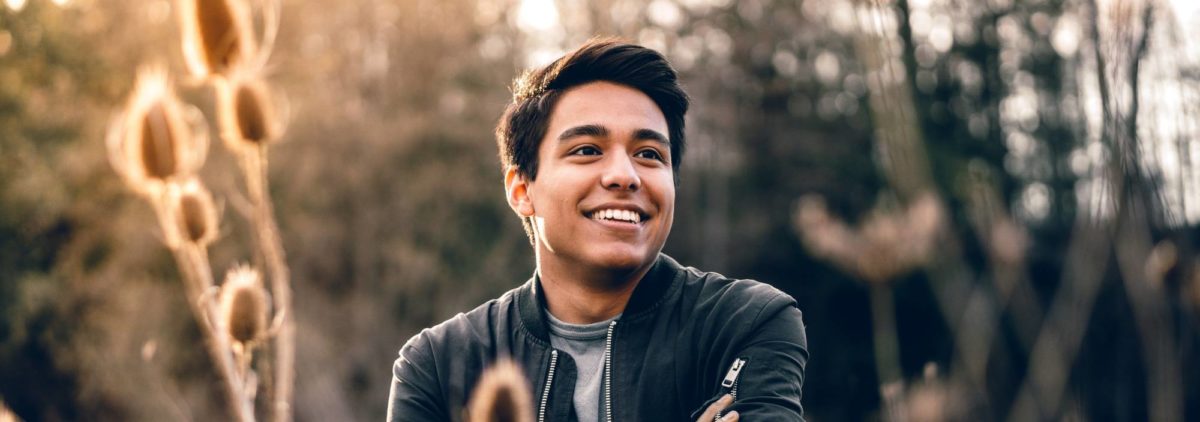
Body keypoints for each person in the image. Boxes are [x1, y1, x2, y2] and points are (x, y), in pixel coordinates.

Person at [387, 38, 808, 422]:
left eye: (648, 154)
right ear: (521, 189)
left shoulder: (745, 322)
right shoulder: (440, 365)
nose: (624, 176)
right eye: (587, 150)